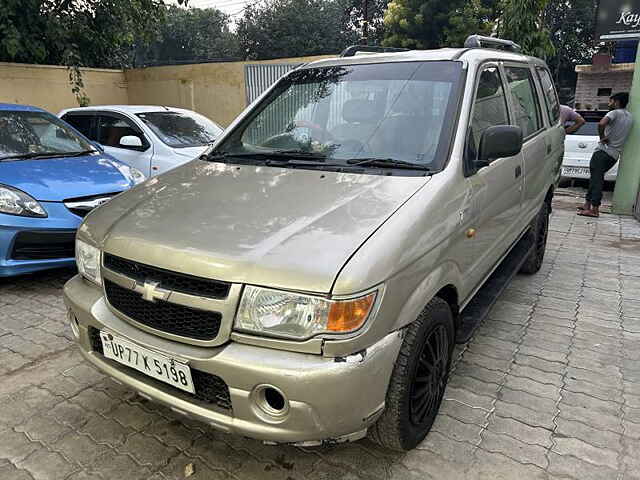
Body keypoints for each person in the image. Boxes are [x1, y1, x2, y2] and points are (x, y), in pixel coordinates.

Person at [578, 92, 633, 217]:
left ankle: (594, 209)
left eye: (610, 101)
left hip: (603, 152)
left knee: (596, 180)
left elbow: (601, 123)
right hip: (614, 155)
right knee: (595, 177)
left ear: (617, 102)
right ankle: (587, 204)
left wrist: (602, 137)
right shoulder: (629, 117)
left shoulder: (614, 113)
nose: (609, 104)